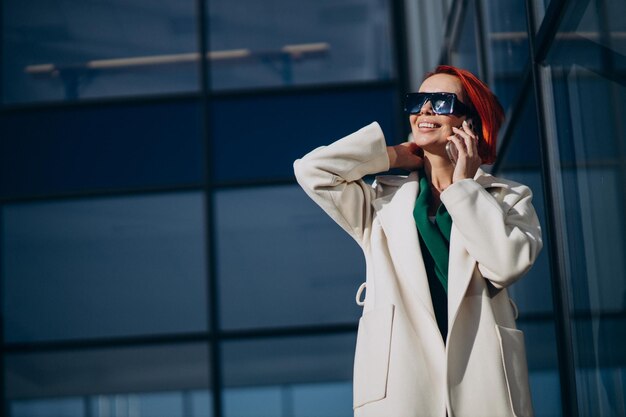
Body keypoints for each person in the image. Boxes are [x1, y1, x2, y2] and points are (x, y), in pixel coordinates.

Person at [293, 65, 542, 417]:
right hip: (401, 389)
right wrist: (390, 156)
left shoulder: (508, 198)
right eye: (417, 101)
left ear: (470, 122)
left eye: (440, 102)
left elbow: (506, 265)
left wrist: (463, 188)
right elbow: (312, 171)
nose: (424, 110)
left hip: (482, 385)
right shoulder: (380, 202)